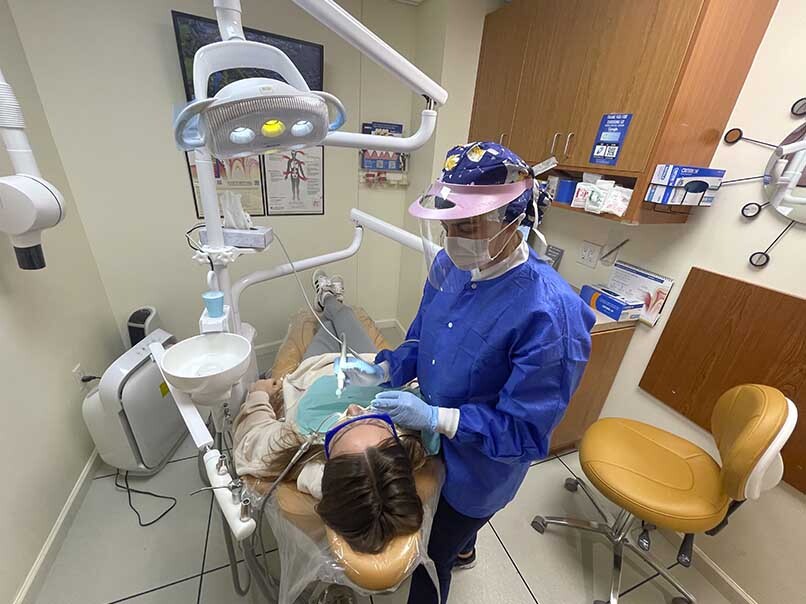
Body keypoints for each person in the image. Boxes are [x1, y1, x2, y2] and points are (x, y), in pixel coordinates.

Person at [342, 141, 597, 603]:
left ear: (514, 219)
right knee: (449, 535)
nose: (453, 237)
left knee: (431, 552)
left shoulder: (552, 316)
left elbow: (524, 433)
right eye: (448, 224)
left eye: (469, 225)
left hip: (482, 468)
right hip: (434, 439)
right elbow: (423, 338)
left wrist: (439, 419)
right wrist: (383, 369)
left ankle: (452, 551)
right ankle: (465, 547)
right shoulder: (449, 263)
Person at [232, 272, 428, 555]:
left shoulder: (306, 454)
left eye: (343, 427)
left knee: (326, 327)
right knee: (346, 317)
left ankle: (325, 301)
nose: (353, 409)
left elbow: (251, 444)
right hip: (368, 366)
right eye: (371, 417)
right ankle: (331, 300)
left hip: (319, 368)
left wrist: (259, 393)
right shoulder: (407, 438)